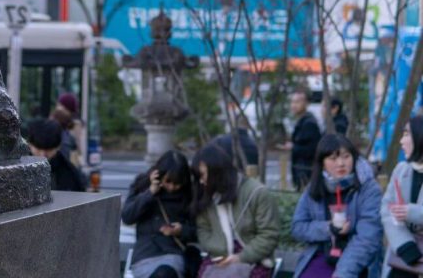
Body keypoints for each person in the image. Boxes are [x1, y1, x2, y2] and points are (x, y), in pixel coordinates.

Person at [291, 133, 383, 278]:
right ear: (322, 162)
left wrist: (343, 273)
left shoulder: (369, 188)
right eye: (333, 158)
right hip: (322, 254)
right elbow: (298, 227)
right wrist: (328, 228)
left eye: (346, 157)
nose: (341, 163)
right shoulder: (315, 187)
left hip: (359, 262)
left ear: (354, 157)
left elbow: (367, 239)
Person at [192, 143, 279, 277]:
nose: (202, 181)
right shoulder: (206, 195)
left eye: (203, 175)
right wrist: (219, 250)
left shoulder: (257, 193)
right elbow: (203, 229)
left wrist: (240, 257)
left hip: (254, 258)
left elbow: (269, 234)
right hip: (218, 256)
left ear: (217, 172)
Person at [121, 150, 200, 278]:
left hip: (172, 254)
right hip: (145, 256)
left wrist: (181, 230)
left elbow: (200, 231)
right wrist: (150, 192)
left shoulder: (189, 195)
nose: (172, 187)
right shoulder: (143, 185)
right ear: (159, 175)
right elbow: (127, 217)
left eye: (177, 183)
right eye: (168, 182)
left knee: (165, 273)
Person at [381, 115, 423, 278]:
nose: (401, 141)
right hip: (402, 255)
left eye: (406, 134)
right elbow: (387, 210)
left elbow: (405, 212)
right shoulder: (401, 170)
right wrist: (404, 244)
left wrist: (413, 213)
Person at [27, 119, 86, 192]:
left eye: (49, 150)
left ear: (58, 146)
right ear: (29, 144)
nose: (43, 155)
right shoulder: (18, 167)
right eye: (38, 149)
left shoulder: (71, 174)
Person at [287, 90, 322, 191]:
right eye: (292, 102)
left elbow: (312, 148)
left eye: (297, 102)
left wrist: (294, 147)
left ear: (306, 103)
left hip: (306, 170)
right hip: (301, 169)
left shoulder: (309, 123)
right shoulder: (302, 121)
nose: (294, 105)